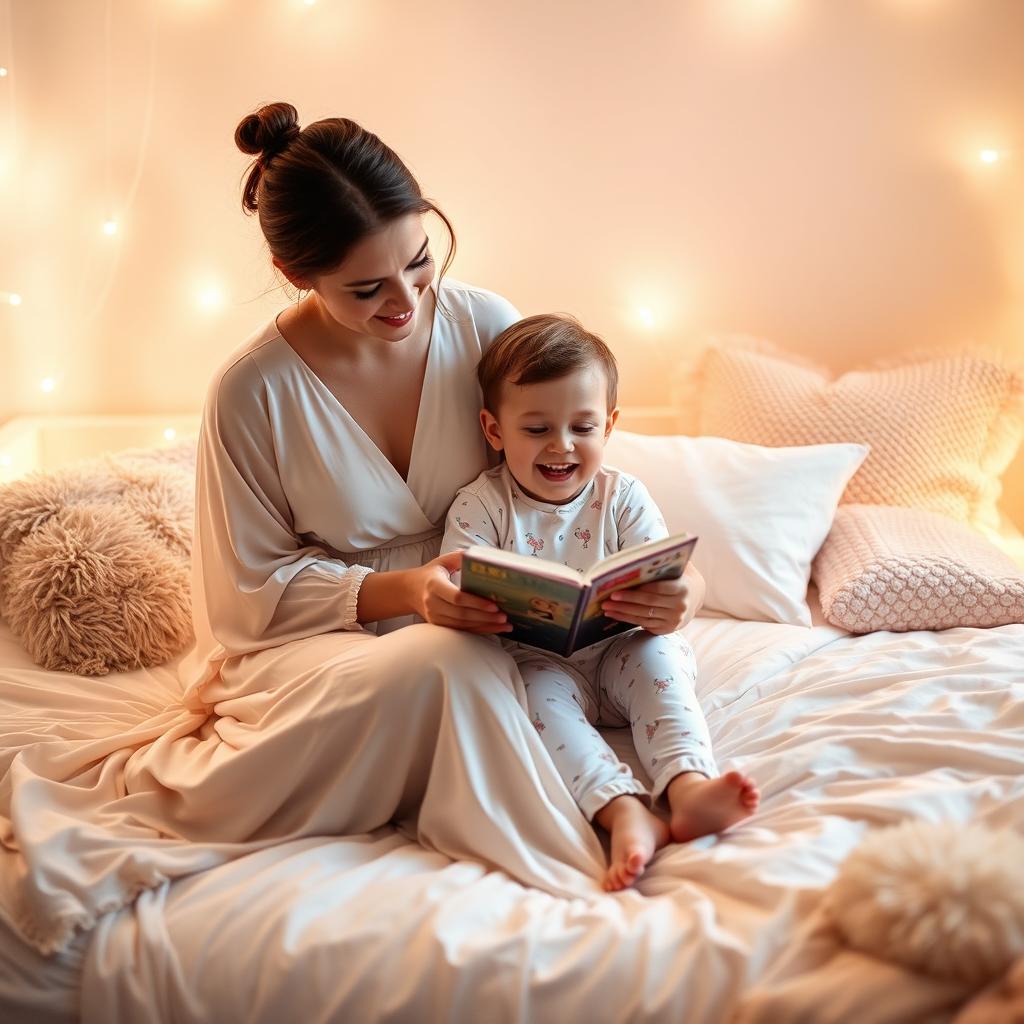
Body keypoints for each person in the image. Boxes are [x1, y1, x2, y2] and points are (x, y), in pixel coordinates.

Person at [440, 314, 760, 891]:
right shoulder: (479, 506)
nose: (561, 446)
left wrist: (679, 599)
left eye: (581, 427)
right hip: (536, 664)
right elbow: (456, 584)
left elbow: (672, 577)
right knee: (533, 703)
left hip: (622, 650)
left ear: (608, 425)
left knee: (659, 659)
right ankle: (622, 810)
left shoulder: (624, 497)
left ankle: (687, 788)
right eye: (536, 429)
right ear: (494, 430)